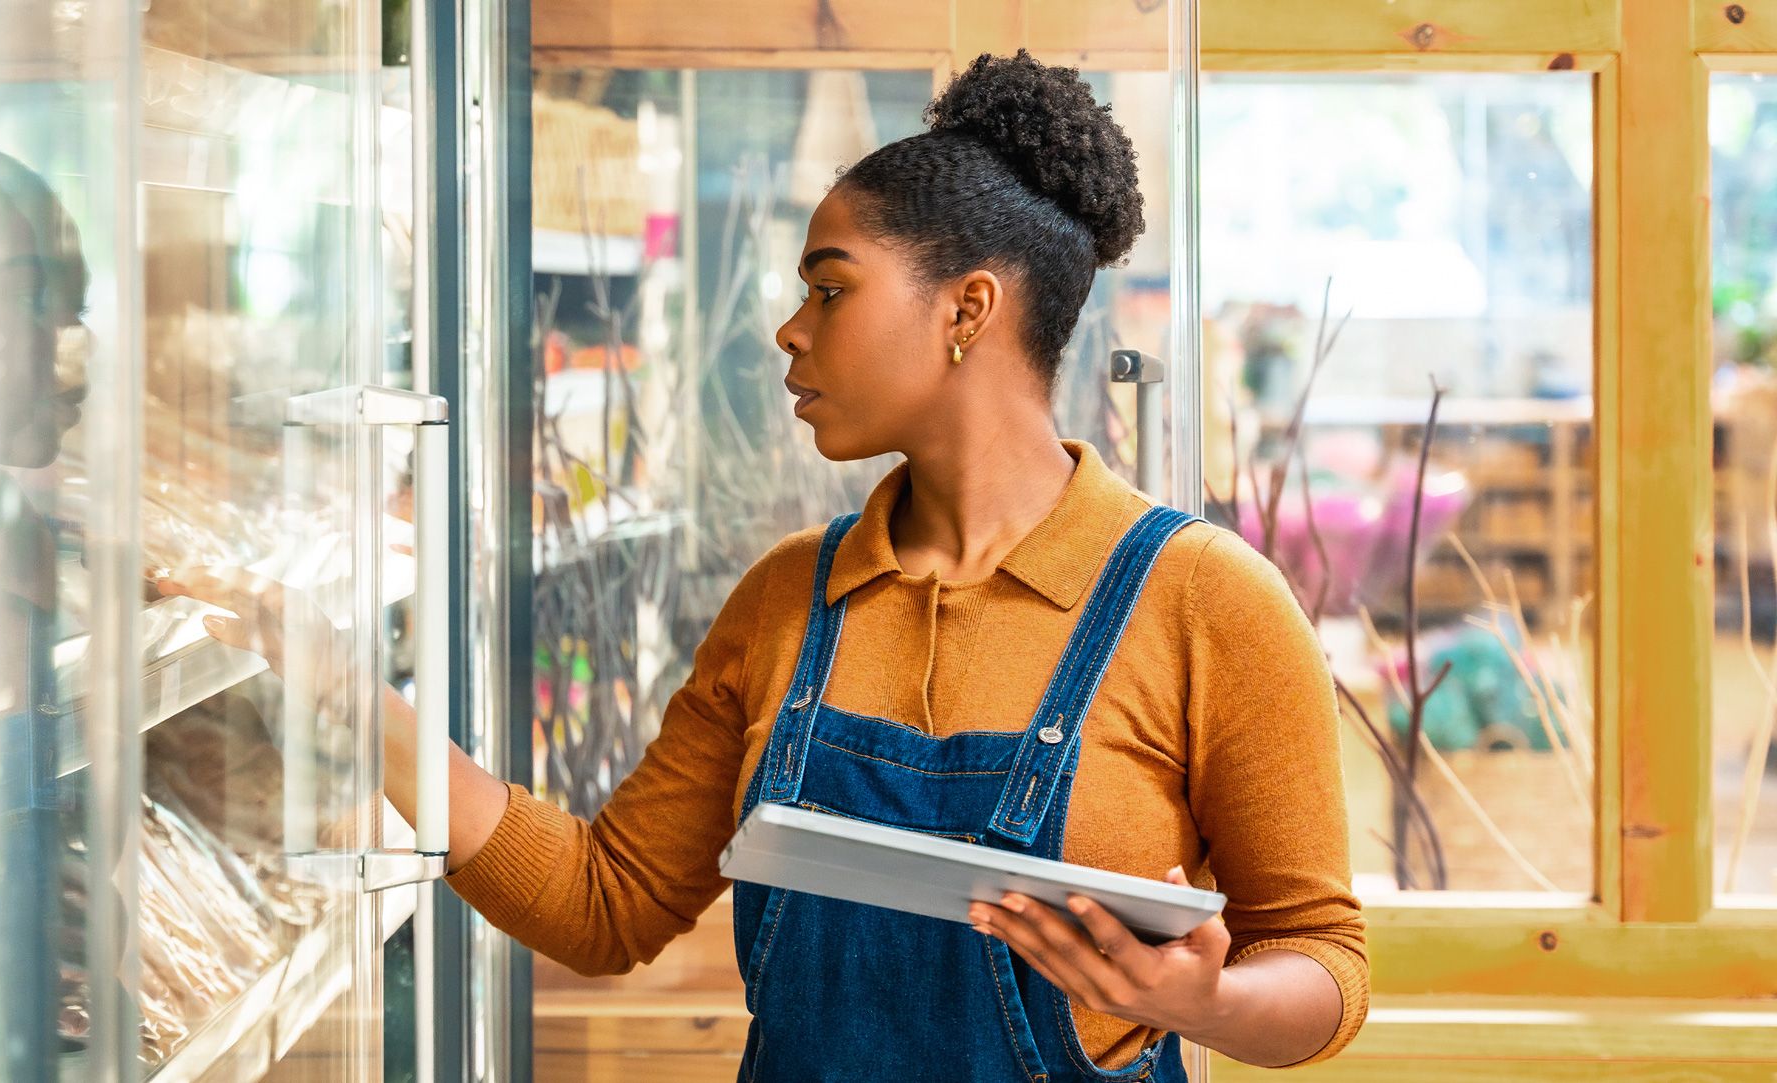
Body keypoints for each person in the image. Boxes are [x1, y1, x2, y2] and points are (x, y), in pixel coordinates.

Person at [168, 49, 1366, 1079]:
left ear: (967, 310)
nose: (789, 330)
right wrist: (345, 687)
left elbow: (1321, 964)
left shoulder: (1203, 600)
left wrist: (1204, 1005)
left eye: (827, 289)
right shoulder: (788, 599)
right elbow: (604, 906)